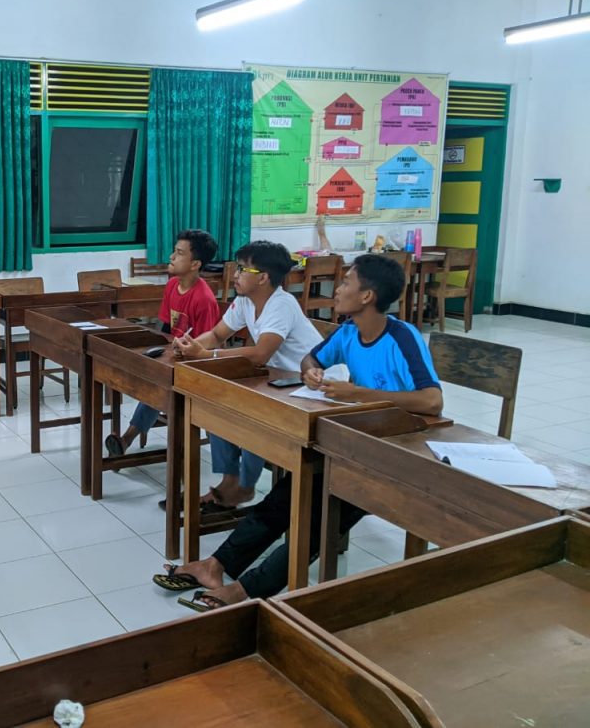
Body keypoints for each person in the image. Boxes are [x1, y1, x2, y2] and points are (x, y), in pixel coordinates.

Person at [155, 252, 442, 609]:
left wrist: (357, 393)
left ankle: (245, 591)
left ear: (367, 296)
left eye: (346, 283)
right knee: (284, 497)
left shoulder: (402, 336)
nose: (338, 290)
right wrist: (311, 372)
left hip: (399, 453)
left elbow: (432, 401)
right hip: (356, 441)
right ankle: (215, 566)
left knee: (317, 521)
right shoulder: (349, 332)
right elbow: (312, 357)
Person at [172, 240, 322, 510]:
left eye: (243, 269)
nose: (236, 274)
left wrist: (206, 356)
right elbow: (217, 334)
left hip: (306, 387)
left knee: (251, 414)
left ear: (263, 278)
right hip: (277, 381)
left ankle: (244, 486)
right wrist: (189, 344)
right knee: (214, 404)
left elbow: (261, 353)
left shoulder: (281, 304)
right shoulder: (245, 300)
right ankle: (230, 479)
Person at [104, 229, 220, 459]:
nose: (171, 257)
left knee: (159, 386)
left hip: (195, 364)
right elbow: (166, 327)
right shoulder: (172, 285)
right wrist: (160, 351)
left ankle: (127, 439)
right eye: (174, 251)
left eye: (179, 253)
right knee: (150, 376)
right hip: (173, 356)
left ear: (195, 264)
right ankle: (127, 439)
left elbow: (207, 345)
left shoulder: (203, 298)